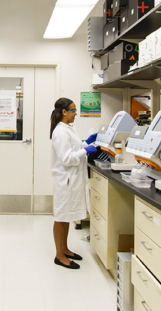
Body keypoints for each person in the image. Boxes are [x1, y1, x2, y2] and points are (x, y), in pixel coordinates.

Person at [49, 97, 98, 269]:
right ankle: (59, 255)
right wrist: (85, 151)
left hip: (71, 179)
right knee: (61, 216)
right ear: (64, 112)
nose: (76, 114)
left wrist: (86, 143)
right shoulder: (60, 132)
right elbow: (67, 158)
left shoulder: (69, 128)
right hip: (65, 180)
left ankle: (65, 249)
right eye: (73, 110)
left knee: (67, 216)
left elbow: (73, 148)